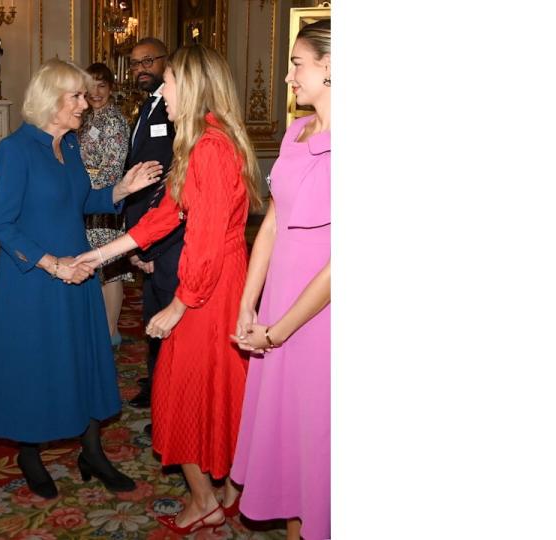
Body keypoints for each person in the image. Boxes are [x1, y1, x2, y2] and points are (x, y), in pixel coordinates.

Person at [74, 45, 262, 535]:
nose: (162, 90)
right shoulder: (201, 141)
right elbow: (165, 216)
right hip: (213, 281)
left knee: (180, 389)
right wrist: (99, 255)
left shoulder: (211, 148)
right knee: (216, 388)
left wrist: (180, 304)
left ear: (193, 86)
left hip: (210, 287)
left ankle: (205, 500)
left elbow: (203, 241)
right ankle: (224, 493)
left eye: (170, 81)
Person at [0, 58, 164, 500]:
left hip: (78, 271)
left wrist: (121, 189)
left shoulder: (71, 147)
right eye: (77, 96)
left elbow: (81, 201)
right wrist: (51, 263)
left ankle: (92, 450)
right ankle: (30, 452)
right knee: (36, 362)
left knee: (85, 357)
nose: (86, 103)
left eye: (85, 95)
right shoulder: (16, 148)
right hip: (35, 279)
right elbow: (2, 225)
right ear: (51, 100)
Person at [230, 19, 332, 540]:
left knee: (320, 437)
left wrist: (279, 330)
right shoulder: (296, 131)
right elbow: (272, 221)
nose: (289, 75)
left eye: (297, 63)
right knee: (292, 437)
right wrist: (251, 304)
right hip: (279, 308)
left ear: (331, 67)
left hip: (321, 319)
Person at [122, 37, 181, 419]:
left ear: (166, 61)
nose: (140, 68)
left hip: (165, 235)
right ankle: (157, 383)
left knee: (169, 319)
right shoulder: (149, 105)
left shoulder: (177, 111)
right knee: (153, 316)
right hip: (146, 230)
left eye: (147, 61)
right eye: (135, 63)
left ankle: (169, 396)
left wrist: (150, 244)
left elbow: (172, 184)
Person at [79, 62, 132, 348]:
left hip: (105, 202)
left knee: (110, 267)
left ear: (111, 88)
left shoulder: (114, 121)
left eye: (101, 86)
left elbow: (113, 168)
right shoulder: (84, 118)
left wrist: (87, 188)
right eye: (90, 86)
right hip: (83, 203)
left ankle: (111, 330)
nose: (95, 92)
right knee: (92, 267)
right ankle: (97, 326)